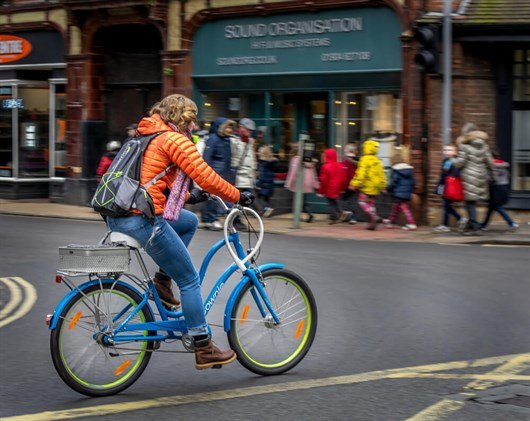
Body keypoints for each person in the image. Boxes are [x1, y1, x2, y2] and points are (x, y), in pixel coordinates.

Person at [105, 94, 253, 370]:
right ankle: (203, 345)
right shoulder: (173, 139)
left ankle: (162, 282)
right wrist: (237, 195)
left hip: (120, 216)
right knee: (190, 281)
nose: (195, 124)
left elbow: (151, 183)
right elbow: (206, 175)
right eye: (192, 118)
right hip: (141, 221)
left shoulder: (146, 133)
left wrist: (190, 197)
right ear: (182, 116)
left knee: (187, 221)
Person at [452, 122, 494, 234]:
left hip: (470, 178)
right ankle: (471, 226)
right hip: (481, 177)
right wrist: (493, 176)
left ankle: (475, 227)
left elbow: (459, 163)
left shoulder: (464, 146)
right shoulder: (484, 146)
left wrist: (452, 159)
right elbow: (490, 163)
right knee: (472, 203)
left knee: (469, 203)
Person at [201, 118, 237, 230]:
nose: (229, 130)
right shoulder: (213, 139)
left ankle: (210, 218)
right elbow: (207, 157)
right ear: (221, 127)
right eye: (227, 127)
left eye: (231, 127)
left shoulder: (227, 140)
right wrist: (208, 173)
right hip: (214, 173)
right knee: (213, 197)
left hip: (223, 173)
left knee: (217, 197)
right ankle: (211, 219)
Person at [350, 139, 387, 230]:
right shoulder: (377, 160)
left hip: (366, 187)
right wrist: (382, 186)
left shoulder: (364, 159)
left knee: (362, 202)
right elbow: (381, 174)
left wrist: (354, 183)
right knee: (371, 204)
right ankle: (372, 224)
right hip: (375, 187)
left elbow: (361, 174)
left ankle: (374, 216)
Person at [231, 118, 258, 230]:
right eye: (248, 129)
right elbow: (233, 159)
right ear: (241, 128)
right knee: (239, 200)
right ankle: (236, 220)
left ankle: (236, 219)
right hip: (239, 176)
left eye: (251, 131)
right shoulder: (234, 141)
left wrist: (255, 170)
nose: (250, 132)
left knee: (244, 200)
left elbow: (252, 158)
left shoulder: (250, 142)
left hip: (248, 176)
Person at [480, 152, 519, 231]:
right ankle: (484, 225)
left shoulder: (491, 167)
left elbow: (488, 179)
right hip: (504, 188)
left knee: (498, 207)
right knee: (491, 208)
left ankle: (512, 223)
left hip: (495, 189)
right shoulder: (504, 165)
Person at [433, 144, 467, 232]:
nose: (447, 152)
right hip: (444, 186)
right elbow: (442, 176)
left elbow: (455, 173)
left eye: (450, 150)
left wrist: (450, 175)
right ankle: (457, 220)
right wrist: (439, 189)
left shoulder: (455, 161)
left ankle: (450, 223)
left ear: (455, 152)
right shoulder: (445, 161)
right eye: (446, 150)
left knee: (446, 205)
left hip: (450, 186)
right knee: (446, 206)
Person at [383, 149, 417, 230]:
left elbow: (393, 182)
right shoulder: (409, 170)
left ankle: (412, 223)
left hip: (398, 193)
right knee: (396, 207)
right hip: (407, 192)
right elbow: (413, 182)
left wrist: (387, 189)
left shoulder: (396, 171)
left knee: (404, 208)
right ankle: (390, 221)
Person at [284, 143, 319, 222]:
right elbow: (313, 172)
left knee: (298, 201)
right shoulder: (308, 159)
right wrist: (315, 183)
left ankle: (303, 216)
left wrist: (289, 183)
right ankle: (308, 215)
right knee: (303, 201)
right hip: (307, 183)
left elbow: (293, 172)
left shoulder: (296, 159)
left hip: (299, 183)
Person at [317, 148, 346, 224]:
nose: (323, 158)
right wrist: (342, 188)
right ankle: (340, 213)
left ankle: (334, 217)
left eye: (324, 156)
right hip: (338, 187)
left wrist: (320, 191)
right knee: (335, 201)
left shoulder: (325, 166)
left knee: (331, 203)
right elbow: (343, 177)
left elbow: (323, 180)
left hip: (329, 188)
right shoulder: (340, 165)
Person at [255, 144, 277, 218]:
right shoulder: (272, 162)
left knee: (259, 198)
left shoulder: (262, 163)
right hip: (270, 184)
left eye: (259, 152)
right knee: (266, 199)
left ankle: (266, 208)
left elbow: (262, 175)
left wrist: (258, 185)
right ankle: (265, 211)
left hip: (264, 184)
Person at [339, 143, 358, 224]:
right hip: (353, 184)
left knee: (345, 200)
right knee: (351, 201)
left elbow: (343, 172)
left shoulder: (346, 162)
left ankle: (347, 214)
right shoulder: (356, 162)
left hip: (348, 185)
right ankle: (352, 217)